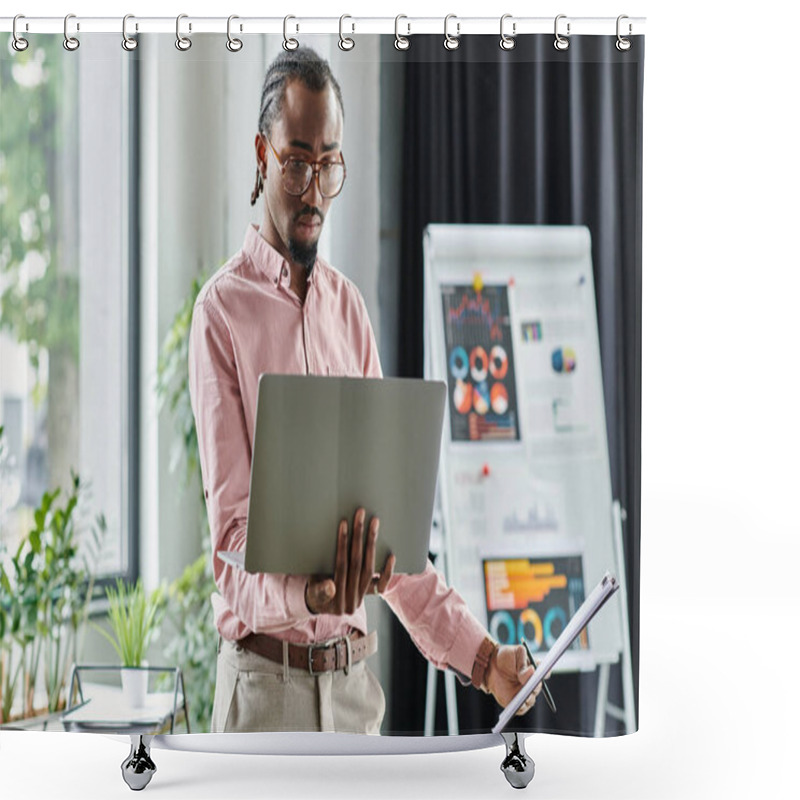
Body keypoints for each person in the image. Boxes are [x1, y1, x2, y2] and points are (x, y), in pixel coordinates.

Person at [188, 46, 541, 734]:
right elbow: (232, 551)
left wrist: (485, 658)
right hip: (265, 694)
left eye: (329, 164)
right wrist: (307, 594)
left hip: (354, 695)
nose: (314, 188)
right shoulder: (220, 313)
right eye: (296, 161)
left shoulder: (349, 310)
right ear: (262, 154)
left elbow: (394, 546)